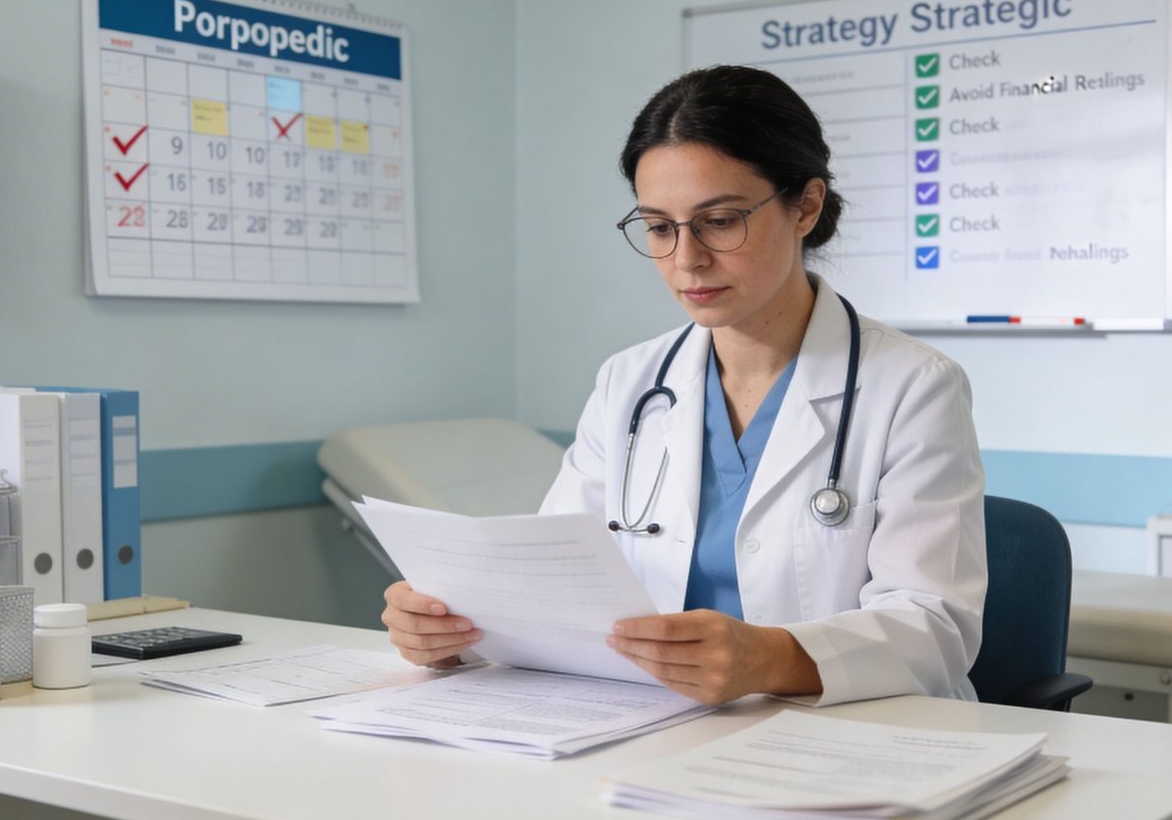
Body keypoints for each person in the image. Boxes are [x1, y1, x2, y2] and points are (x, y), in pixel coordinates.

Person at [382, 65, 986, 707]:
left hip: (840, 736)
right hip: (649, 722)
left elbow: (937, 626)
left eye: (720, 221)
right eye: (660, 227)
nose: (686, 259)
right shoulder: (629, 383)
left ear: (805, 206)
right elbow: (550, 586)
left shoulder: (913, 387)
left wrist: (774, 658)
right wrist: (455, 631)